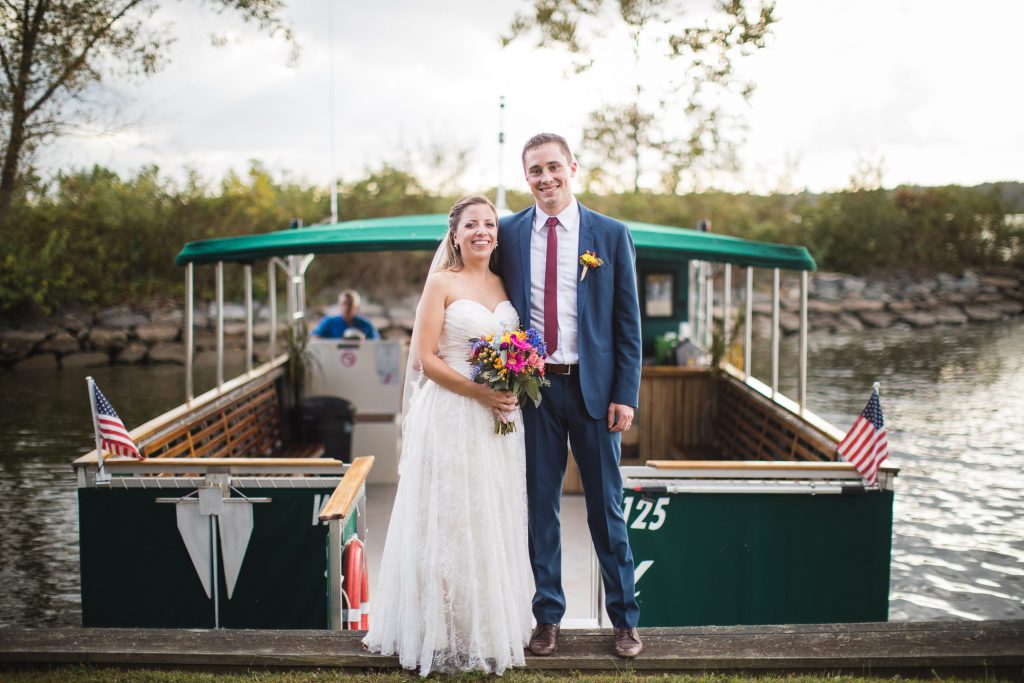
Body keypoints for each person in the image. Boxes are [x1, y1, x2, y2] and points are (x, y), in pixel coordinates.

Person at [362, 196, 534, 676]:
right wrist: (480, 392)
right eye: (471, 225)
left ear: (497, 234)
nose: (482, 231)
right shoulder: (441, 283)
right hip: (454, 414)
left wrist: (513, 381)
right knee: (449, 517)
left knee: (490, 514)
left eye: (489, 224)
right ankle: (438, 629)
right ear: (455, 235)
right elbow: (425, 359)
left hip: (499, 419)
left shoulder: (506, 284)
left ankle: (486, 626)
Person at [498, 133, 644, 658]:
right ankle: (547, 618)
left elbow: (628, 323)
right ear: (527, 177)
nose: (546, 178)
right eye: (535, 170)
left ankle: (625, 620)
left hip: (595, 391)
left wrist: (625, 393)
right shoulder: (509, 233)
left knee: (607, 509)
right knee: (541, 508)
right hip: (534, 391)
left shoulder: (609, 234)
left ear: (573, 168)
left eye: (554, 167)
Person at [310, 289, 380, 339]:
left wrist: (363, 342)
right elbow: (314, 337)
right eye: (344, 303)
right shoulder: (329, 322)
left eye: (350, 304)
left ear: (357, 307)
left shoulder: (366, 324)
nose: (347, 307)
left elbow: (376, 345)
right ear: (339, 305)